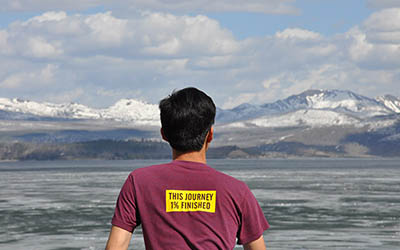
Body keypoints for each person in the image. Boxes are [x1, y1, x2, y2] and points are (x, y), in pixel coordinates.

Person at [105, 87, 269, 250]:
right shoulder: (238, 191)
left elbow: (115, 247)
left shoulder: (139, 182)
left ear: (163, 135)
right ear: (210, 134)